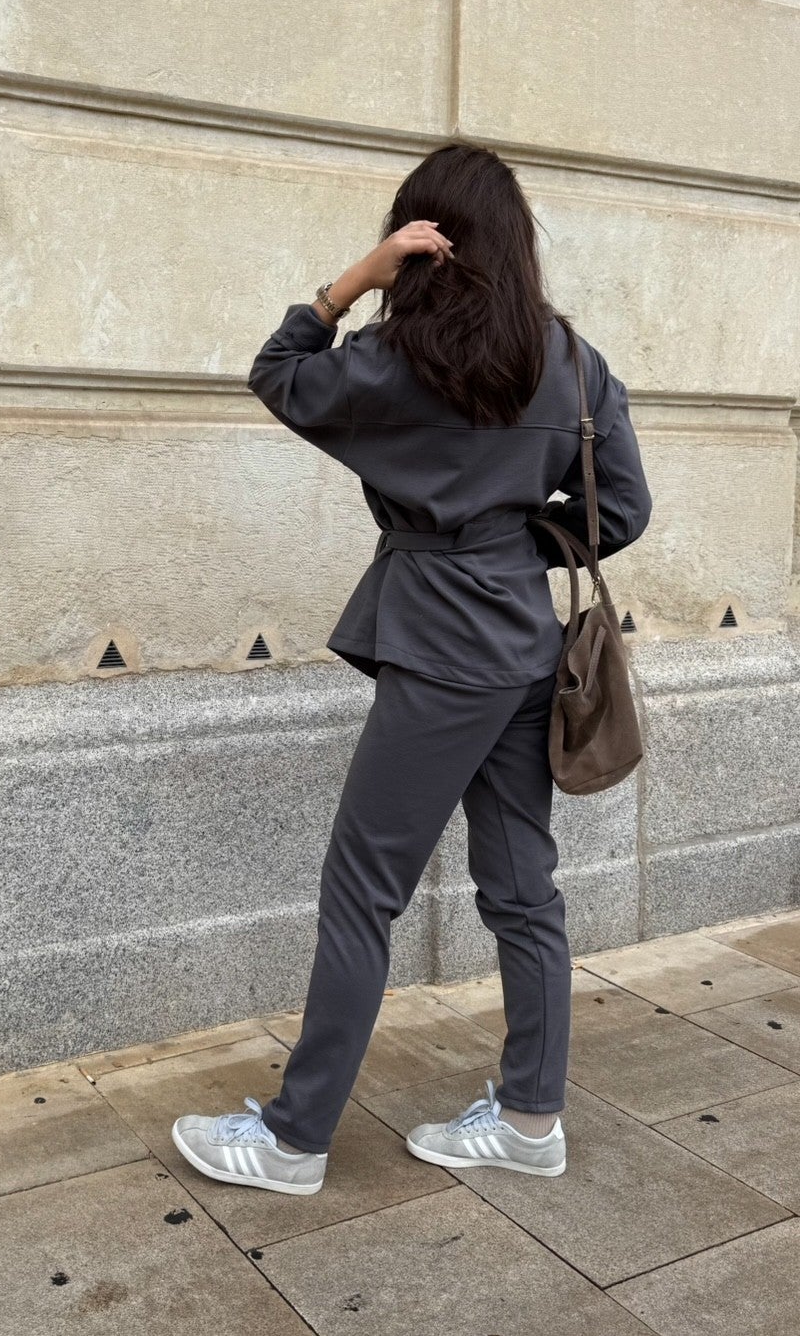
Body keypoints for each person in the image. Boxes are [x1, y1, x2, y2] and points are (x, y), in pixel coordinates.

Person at [170, 140, 653, 1195]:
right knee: (525, 893)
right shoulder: (571, 360)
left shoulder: (397, 363)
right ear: (517, 247)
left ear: (423, 241)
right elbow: (628, 507)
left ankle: (294, 1142)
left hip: (441, 653)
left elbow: (278, 375)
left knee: (361, 894)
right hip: (525, 646)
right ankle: (531, 1120)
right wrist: (513, 547)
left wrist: (354, 278)